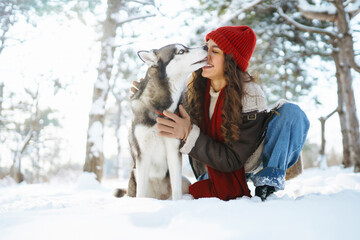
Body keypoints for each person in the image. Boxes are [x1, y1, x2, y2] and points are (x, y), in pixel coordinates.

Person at [135, 26, 310, 201]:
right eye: (206, 48)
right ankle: (214, 182)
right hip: (211, 165)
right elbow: (165, 123)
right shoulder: (193, 91)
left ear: (230, 60)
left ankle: (267, 184)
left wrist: (188, 133)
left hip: (245, 158)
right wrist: (149, 97)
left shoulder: (251, 95)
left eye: (215, 51)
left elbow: (234, 159)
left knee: (291, 113)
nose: (206, 54)